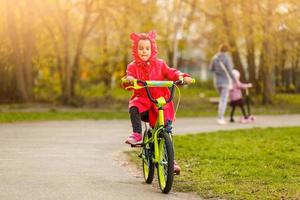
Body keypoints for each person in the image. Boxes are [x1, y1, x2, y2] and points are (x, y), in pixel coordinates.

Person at [122, 31, 194, 173]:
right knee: (134, 107)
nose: (144, 51)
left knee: (166, 130)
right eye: (141, 48)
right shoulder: (133, 66)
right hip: (143, 100)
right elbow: (128, 78)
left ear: (152, 49)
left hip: (160, 101)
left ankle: (170, 160)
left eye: (147, 48)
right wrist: (129, 80)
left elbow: (172, 72)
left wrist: (182, 76)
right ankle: (136, 133)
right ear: (136, 50)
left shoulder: (160, 64)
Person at [209, 44, 236, 125]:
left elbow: (211, 68)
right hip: (225, 82)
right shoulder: (227, 58)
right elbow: (230, 70)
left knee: (222, 99)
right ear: (227, 50)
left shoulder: (214, 58)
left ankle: (220, 116)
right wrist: (234, 80)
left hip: (217, 82)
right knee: (223, 100)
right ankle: (220, 117)